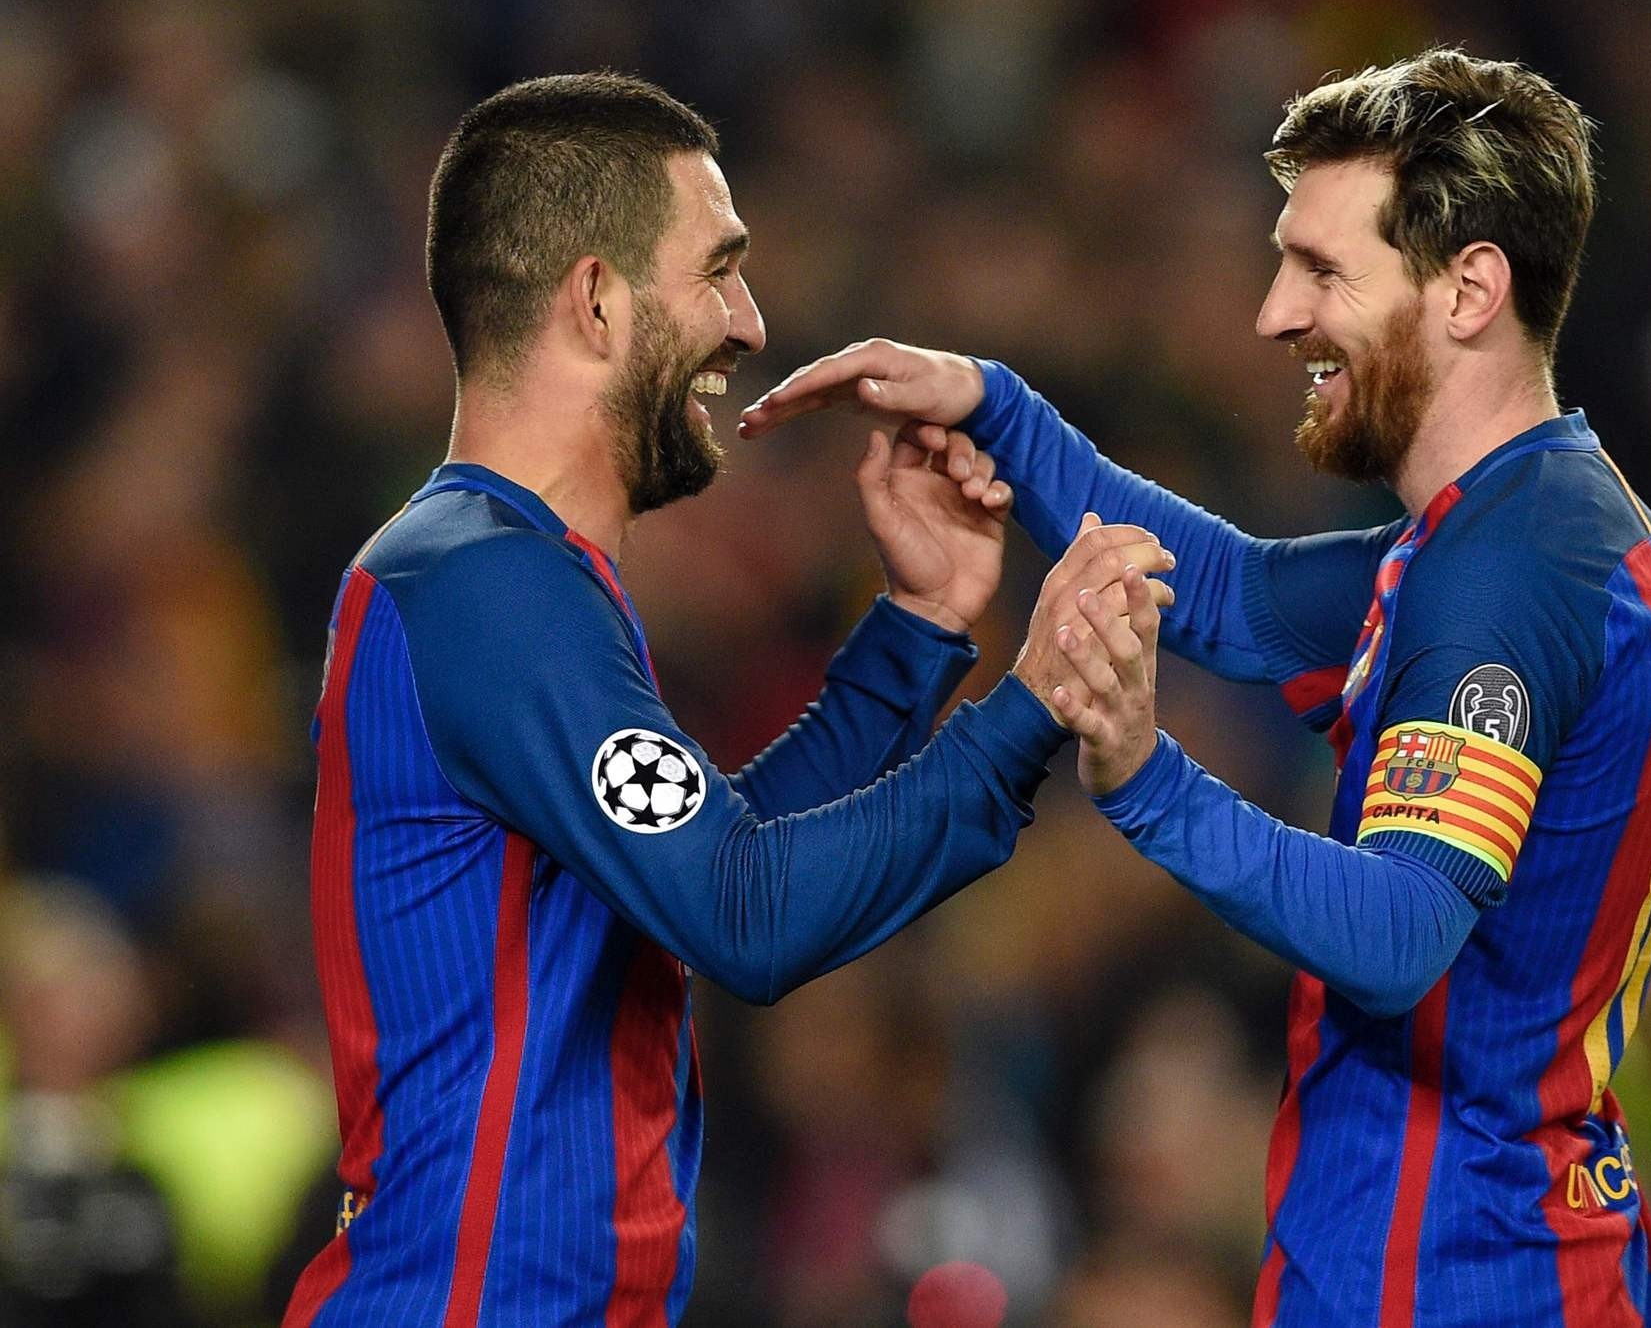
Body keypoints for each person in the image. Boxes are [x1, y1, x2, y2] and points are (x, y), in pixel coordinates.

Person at [745, 48, 1651, 1328]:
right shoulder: (1520, 533)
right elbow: (1236, 594)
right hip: (1490, 1238)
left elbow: (1400, 933)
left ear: (1469, 288)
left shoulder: (1507, 577)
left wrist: (1144, 778)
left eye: (1320, 269)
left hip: (1453, 1269)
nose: (1273, 313)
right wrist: (993, 408)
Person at [280, 73, 1172, 1327]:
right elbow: (744, 914)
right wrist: (1032, 700)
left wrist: (915, 636)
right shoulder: (483, 584)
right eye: (717, 270)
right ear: (595, 298)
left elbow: (709, 872)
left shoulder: (509, 576)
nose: (750, 322)